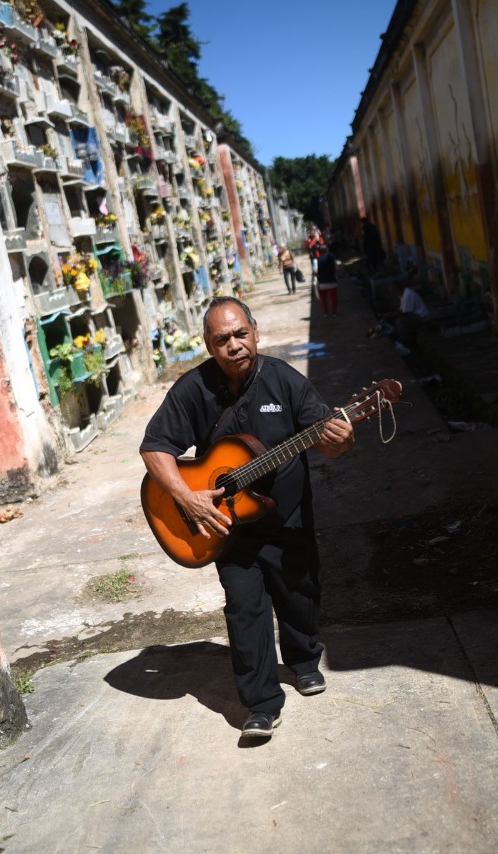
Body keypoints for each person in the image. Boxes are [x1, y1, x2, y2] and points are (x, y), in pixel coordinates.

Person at [139, 297, 355, 739]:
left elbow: (329, 443)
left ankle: (302, 660)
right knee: (244, 607)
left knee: (299, 592)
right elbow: (154, 448)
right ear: (209, 345)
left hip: (288, 515)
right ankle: (260, 702)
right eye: (223, 339)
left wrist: (342, 438)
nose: (234, 345)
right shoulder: (192, 389)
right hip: (228, 525)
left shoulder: (284, 381)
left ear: (255, 332)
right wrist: (188, 496)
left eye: (241, 334)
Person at [381, 280, 430, 355]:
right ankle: (400, 339)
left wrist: (389, 315)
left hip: (421, 317)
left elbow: (404, 312)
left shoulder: (408, 295)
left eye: (392, 291)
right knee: (396, 319)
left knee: (400, 321)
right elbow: (401, 309)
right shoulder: (402, 295)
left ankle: (405, 344)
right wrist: (389, 314)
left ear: (396, 289)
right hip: (414, 315)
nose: (391, 294)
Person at [314, 243, 339, 318]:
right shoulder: (332, 258)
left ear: (319, 251)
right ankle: (334, 313)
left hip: (322, 282)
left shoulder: (316, 260)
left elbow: (315, 271)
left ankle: (326, 313)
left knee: (323, 299)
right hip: (332, 281)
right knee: (333, 298)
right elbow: (336, 268)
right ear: (327, 250)